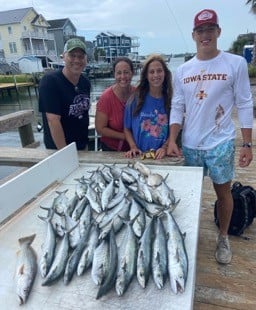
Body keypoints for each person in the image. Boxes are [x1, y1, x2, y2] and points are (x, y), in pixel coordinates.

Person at [167, 9, 254, 264]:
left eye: (210, 29)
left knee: (223, 192)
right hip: (190, 144)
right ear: (194, 35)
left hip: (220, 143)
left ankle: (223, 236)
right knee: (189, 193)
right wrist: (172, 139)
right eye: (200, 31)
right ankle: (187, 235)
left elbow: (245, 104)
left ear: (218, 32)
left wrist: (247, 143)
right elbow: (177, 107)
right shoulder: (183, 70)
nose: (205, 35)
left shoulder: (235, 63)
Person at [39, 38, 91, 150]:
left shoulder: (85, 82)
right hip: (59, 149)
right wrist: (65, 153)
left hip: (82, 145)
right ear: (63, 56)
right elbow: (53, 121)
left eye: (81, 56)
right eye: (72, 55)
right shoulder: (50, 81)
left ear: (86, 59)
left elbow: (83, 114)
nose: (77, 60)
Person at [124, 54, 172, 159]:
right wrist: (133, 147)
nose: (156, 75)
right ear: (146, 75)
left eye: (159, 71)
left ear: (165, 73)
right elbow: (127, 128)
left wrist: (164, 147)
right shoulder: (134, 99)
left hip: (162, 156)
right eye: (151, 72)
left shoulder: (171, 100)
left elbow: (174, 130)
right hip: (140, 155)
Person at [95, 57, 135, 151]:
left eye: (126, 72)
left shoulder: (138, 94)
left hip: (135, 148)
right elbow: (100, 128)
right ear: (114, 75)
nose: (123, 77)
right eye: (119, 73)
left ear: (132, 73)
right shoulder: (106, 98)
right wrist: (125, 136)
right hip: (112, 149)